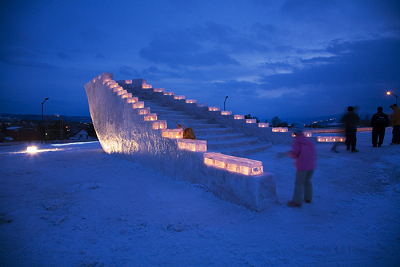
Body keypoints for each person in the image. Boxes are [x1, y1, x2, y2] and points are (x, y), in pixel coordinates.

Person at [286, 126, 316, 208]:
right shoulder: (308, 141)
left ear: (295, 133)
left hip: (302, 166)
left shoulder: (297, 142)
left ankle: (296, 202)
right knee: (308, 181)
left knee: (299, 183)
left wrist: (290, 153)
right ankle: (308, 198)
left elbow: (295, 154)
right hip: (311, 165)